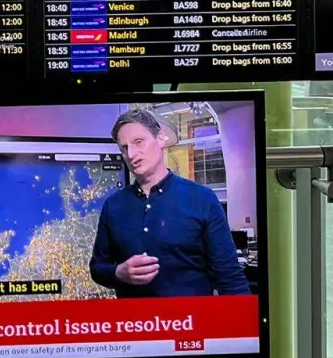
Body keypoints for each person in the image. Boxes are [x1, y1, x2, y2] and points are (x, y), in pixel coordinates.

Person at [90, 108, 251, 297]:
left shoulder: (202, 199)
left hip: (189, 322)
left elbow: (230, 277)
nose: (131, 154)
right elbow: (98, 268)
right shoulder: (113, 205)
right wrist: (118, 273)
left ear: (160, 139)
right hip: (135, 323)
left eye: (138, 142)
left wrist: (243, 322)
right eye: (124, 148)